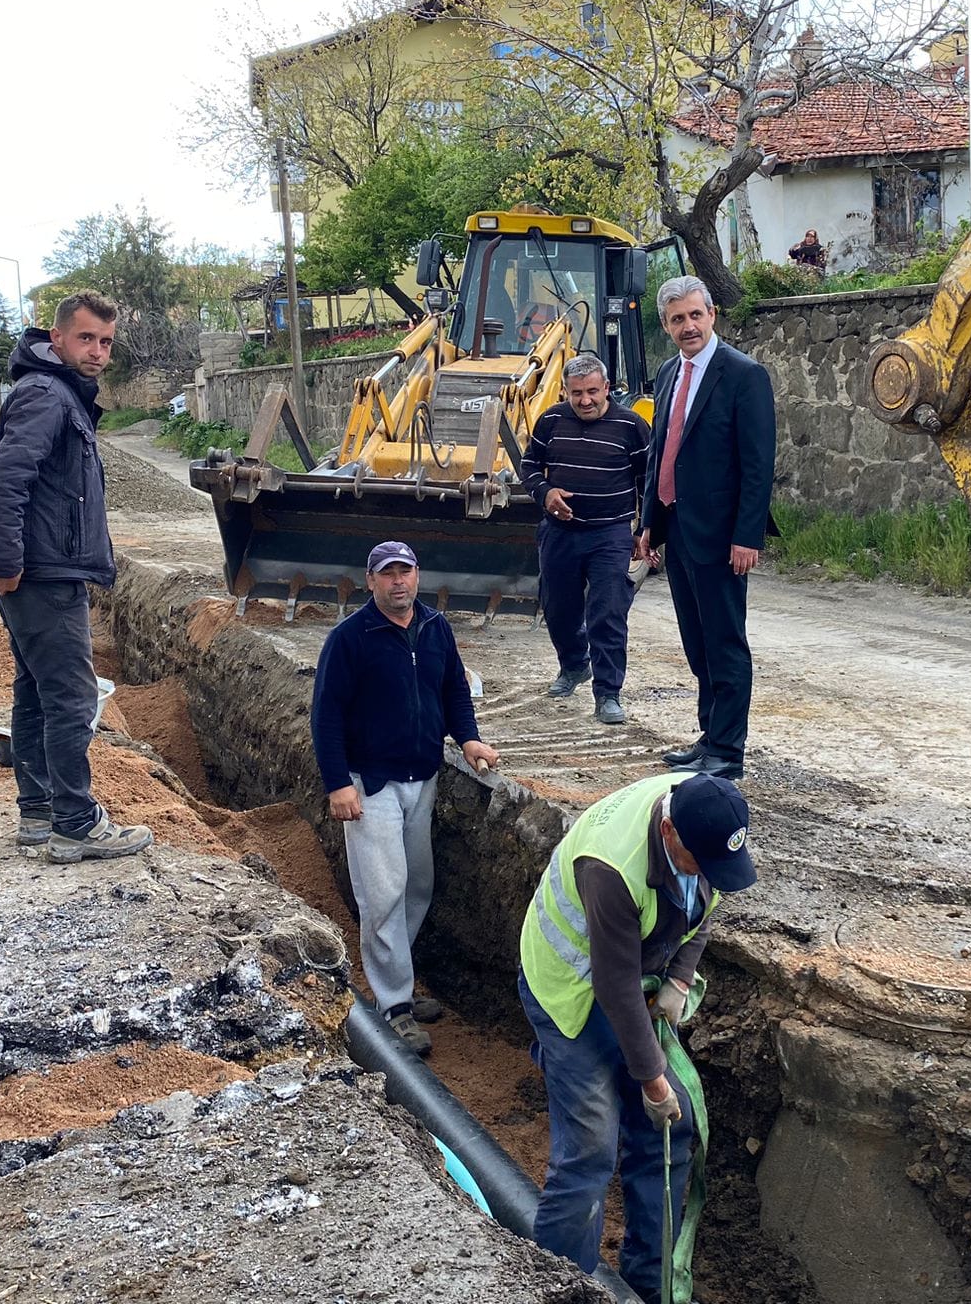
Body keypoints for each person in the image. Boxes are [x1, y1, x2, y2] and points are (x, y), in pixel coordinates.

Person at [518, 771, 756, 1303]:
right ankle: (563, 1288)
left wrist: (678, 977)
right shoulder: (611, 868)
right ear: (669, 833)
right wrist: (652, 1081)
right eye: (700, 863)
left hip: (633, 982)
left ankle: (652, 1285)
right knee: (589, 1151)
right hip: (570, 991)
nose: (711, 874)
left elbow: (703, 909)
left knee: (670, 1130)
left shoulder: (706, 817)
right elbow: (614, 987)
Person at [0, 292, 153, 864]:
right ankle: (76, 823)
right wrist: (7, 564)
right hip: (42, 572)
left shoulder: (54, 391)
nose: (97, 351)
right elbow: (4, 481)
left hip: (42, 565)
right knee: (70, 696)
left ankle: (39, 811)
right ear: (59, 337)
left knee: (36, 691)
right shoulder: (47, 394)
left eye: (106, 342)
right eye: (87, 338)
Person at [312, 540, 501, 1056]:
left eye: (407, 571)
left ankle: (398, 978)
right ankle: (393, 1004)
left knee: (417, 883)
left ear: (418, 576)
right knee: (384, 891)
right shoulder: (350, 639)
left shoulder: (436, 628)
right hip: (369, 783)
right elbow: (326, 715)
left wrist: (468, 739)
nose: (399, 581)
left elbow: (453, 693)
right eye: (387, 573)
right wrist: (337, 783)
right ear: (370, 581)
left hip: (423, 776)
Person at [634, 277, 776, 780]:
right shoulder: (670, 372)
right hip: (678, 530)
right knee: (696, 642)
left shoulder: (744, 375)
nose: (688, 326)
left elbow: (758, 464)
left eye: (695, 315)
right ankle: (708, 735)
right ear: (667, 325)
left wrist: (748, 536)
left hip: (721, 536)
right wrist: (649, 521)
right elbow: (659, 454)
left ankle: (728, 752)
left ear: (712, 314)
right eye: (677, 319)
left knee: (724, 643)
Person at [520, 352, 652, 726]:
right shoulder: (550, 420)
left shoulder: (631, 426)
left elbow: (649, 481)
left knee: (607, 612)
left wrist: (647, 532)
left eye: (593, 391)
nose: (585, 400)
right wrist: (545, 493)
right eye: (576, 393)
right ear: (566, 391)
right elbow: (529, 466)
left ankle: (608, 693)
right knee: (558, 609)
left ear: (607, 388)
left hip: (610, 534)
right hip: (560, 533)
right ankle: (575, 664)